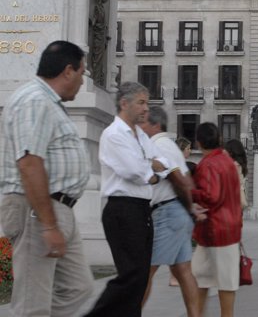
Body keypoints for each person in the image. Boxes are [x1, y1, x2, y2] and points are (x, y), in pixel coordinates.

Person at [0, 40, 93, 317]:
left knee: (79, 288)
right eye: (82, 73)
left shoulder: (47, 102)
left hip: (56, 208)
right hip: (37, 210)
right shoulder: (35, 101)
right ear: (68, 71)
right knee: (32, 304)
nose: (82, 81)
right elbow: (29, 163)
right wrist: (49, 225)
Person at [85, 82, 172, 317]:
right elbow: (135, 171)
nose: (147, 109)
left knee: (140, 278)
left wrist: (151, 169)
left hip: (142, 209)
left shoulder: (140, 135)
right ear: (125, 103)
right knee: (131, 275)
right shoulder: (114, 135)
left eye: (147, 102)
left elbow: (164, 164)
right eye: (141, 102)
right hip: (123, 209)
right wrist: (151, 170)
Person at [140, 106, 203, 317]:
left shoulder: (160, 145)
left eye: (143, 122)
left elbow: (177, 179)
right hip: (176, 212)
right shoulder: (169, 145)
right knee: (183, 271)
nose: (140, 125)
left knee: (145, 271)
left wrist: (190, 208)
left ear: (155, 125)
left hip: (167, 213)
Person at [191, 122, 243, 317]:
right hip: (228, 229)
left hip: (215, 230)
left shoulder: (208, 164)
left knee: (206, 280)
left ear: (198, 142)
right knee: (211, 280)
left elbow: (211, 196)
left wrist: (190, 192)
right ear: (219, 139)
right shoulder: (227, 161)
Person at [224, 139, 248, 211]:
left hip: (232, 201)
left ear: (231, 152)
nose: (223, 152)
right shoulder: (240, 164)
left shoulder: (234, 165)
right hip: (236, 201)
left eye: (226, 150)